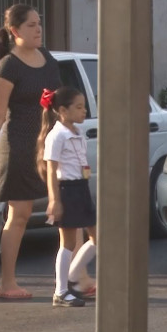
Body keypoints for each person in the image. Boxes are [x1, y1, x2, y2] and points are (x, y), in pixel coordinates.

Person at [0, 4, 61, 300]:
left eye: (40, 24)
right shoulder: (8, 66)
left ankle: (75, 277)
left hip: (48, 145)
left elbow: (56, 101)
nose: (39, 30)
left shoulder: (47, 58)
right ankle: (7, 283)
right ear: (15, 31)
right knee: (21, 214)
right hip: (19, 147)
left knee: (69, 211)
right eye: (31, 26)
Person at [36, 86, 97, 307]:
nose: (84, 111)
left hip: (81, 187)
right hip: (67, 190)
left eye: (84, 107)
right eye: (78, 107)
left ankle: (71, 278)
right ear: (62, 110)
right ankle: (61, 291)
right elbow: (51, 170)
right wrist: (54, 200)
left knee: (98, 238)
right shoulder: (57, 135)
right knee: (68, 242)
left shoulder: (76, 132)